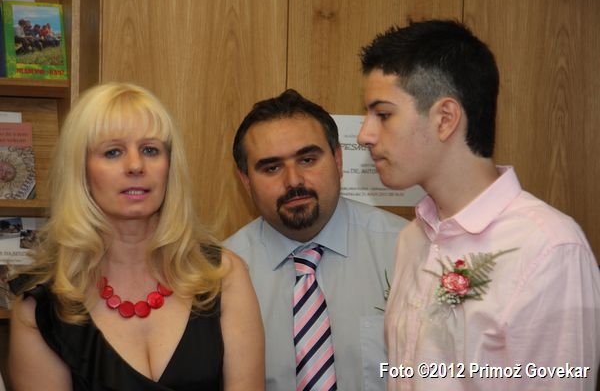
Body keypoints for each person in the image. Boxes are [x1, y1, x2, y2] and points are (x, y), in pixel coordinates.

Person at [357, 19, 600, 391]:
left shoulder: (549, 248)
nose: (365, 135)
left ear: (445, 118)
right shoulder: (413, 238)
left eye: (383, 114)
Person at [8, 82, 265, 390]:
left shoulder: (223, 276)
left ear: (169, 166)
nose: (135, 165)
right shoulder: (40, 309)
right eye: (113, 152)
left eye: (150, 150)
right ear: (81, 170)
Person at [224, 89, 408, 391]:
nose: (293, 181)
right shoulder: (218, 275)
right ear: (245, 181)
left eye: (308, 159)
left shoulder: (407, 251)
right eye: (271, 168)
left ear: (338, 159)